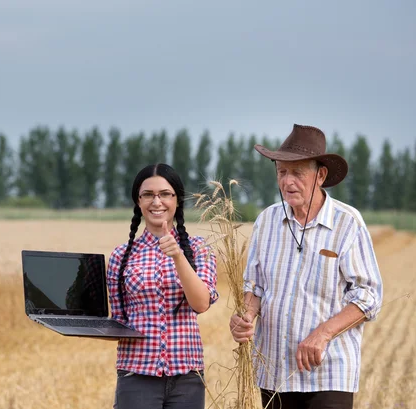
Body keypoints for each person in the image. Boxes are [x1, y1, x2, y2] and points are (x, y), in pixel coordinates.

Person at [229, 124, 383, 409]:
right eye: (282, 172)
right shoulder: (267, 221)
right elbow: (254, 286)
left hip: (328, 373)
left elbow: (368, 297)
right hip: (273, 373)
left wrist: (322, 334)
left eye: (297, 172)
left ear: (320, 175)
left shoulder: (347, 223)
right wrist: (246, 317)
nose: (288, 182)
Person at [107, 163, 219, 409]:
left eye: (165, 194)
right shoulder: (121, 256)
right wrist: (82, 323)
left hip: (187, 376)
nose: (156, 202)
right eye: (148, 194)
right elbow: (119, 320)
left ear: (177, 200)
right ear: (138, 201)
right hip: (136, 374)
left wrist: (178, 256)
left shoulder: (198, 249)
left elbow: (200, 304)